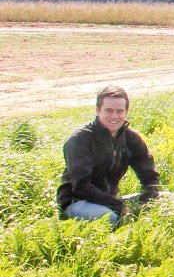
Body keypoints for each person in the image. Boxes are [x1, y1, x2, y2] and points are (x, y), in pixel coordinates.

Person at [57, 85, 162, 225]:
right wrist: (121, 208)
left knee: (167, 201)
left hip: (111, 201)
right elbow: (81, 186)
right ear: (97, 110)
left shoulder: (132, 139)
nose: (114, 116)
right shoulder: (80, 139)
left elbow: (150, 178)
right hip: (78, 202)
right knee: (110, 219)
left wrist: (146, 203)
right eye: (108, 110)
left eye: (119, 111)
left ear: (126, 112)